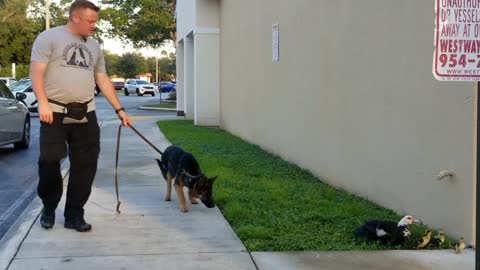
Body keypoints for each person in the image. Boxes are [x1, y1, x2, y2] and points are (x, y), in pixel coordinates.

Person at [30, 0, 131, 232]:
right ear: (76, 18)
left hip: (86, 113)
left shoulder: (94, 46)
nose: (94, 25)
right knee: (49, 161)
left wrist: (120, 109)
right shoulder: (49, 38)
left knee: (85, 166)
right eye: (91, 21)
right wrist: (42, 104)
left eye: (96, 21)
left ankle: (74, 214)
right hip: (53, 112)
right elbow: (36, 72)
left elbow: (102, 79)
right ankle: (49, 205)